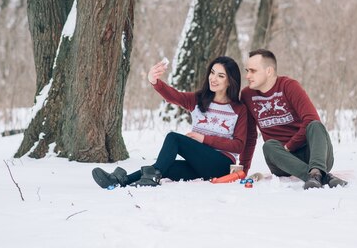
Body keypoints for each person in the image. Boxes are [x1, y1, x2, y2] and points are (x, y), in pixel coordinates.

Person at [92, 56, 248, 188]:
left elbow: (239, 146)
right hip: (200, 165)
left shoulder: (238, 109)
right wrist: (155, 81)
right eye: (212, 73)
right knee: (164, 166)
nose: (213, 78)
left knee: (174, 138)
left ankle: (148, 178)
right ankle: (120, 181)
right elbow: (174, 96)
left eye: (221, 76)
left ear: (230, 81)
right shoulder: (199, 100)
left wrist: (204, 139)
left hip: (221, 165)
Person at [239, 49, 347, 190]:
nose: (247, 76)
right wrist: (243, 169)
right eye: (247, 70)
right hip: (282, 161)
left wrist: (289, 146)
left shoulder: (288, 86)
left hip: (314, 155)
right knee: (269, 145)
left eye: (253, 71)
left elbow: (310, 119)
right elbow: (250, 136)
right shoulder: (247, 95)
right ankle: (320, 175)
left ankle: (316, 172)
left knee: (315, 125)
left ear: (269, 71)